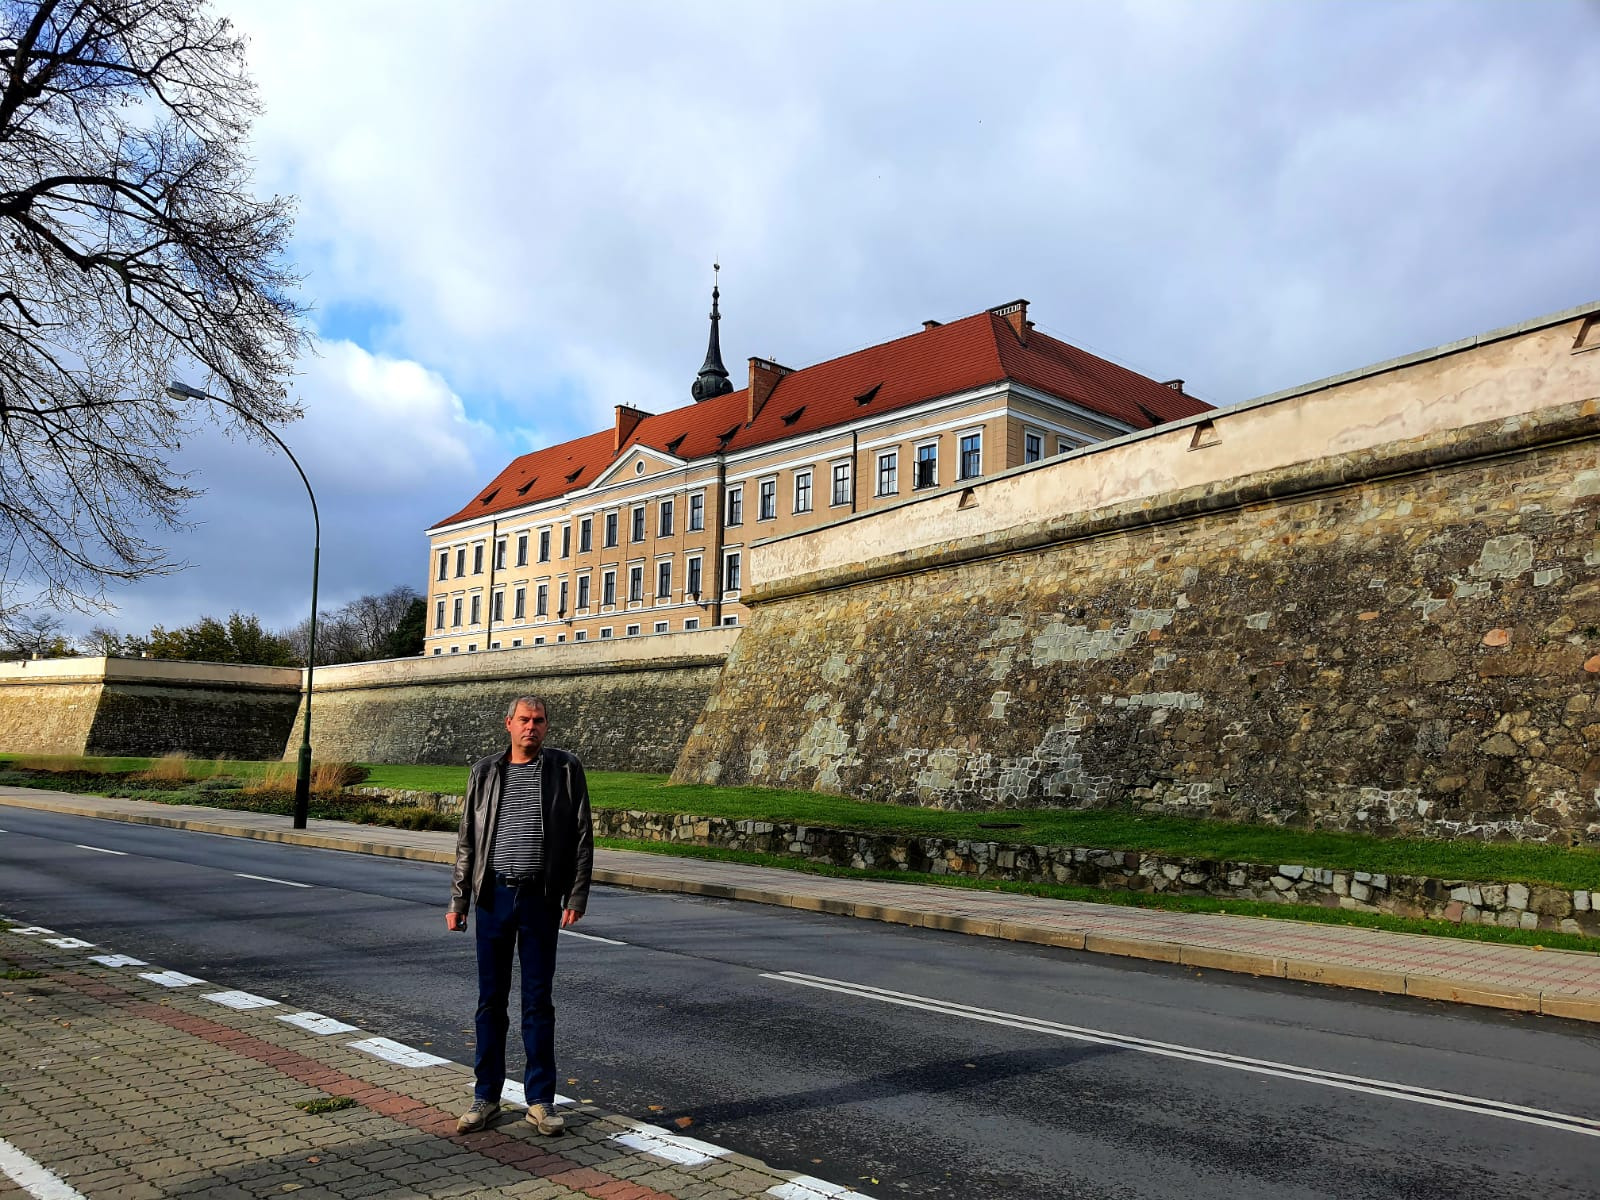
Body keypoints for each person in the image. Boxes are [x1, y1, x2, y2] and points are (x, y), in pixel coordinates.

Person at [448, 695, 593, 1135]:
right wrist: (458, 901)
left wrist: (576, 895)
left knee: (537, 1003)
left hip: (540, 899)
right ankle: (486, 1095)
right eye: (524, 720)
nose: (532, 727)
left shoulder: (566, 769)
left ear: (547, 727)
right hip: (492, 897)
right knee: (490, 1002)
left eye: (540, 721)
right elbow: (467, 841)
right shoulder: (486, 772)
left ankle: (541, 1101)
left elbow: (583, 836)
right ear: (508, 723)